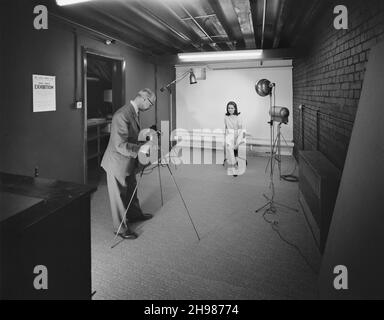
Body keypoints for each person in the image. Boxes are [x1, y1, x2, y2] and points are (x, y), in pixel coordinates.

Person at [101, 88, 156, 239]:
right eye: (150, 104)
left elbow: (130, 136)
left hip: (128, 160)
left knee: (131, 187)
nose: (150, 107)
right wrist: (141, 148)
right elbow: (120, 144)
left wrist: (145, 139)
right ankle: (120, 229)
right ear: (144, 98)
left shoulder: (133, 111)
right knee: (118, 196)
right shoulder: (122, 114)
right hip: (117, 162)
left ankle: (134, 214)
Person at [224, 101, 244, 177]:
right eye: (229, 108)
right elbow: (225, 128)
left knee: (233, 148)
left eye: (232, 108)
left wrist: (237, 142)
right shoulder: (226, 116)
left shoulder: (238, 117)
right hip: (229, 135)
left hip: (237, 135)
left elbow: (240, 130)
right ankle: (234, 167)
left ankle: (234, 162)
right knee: (229, 148)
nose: (230, 109)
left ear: (235, 108)